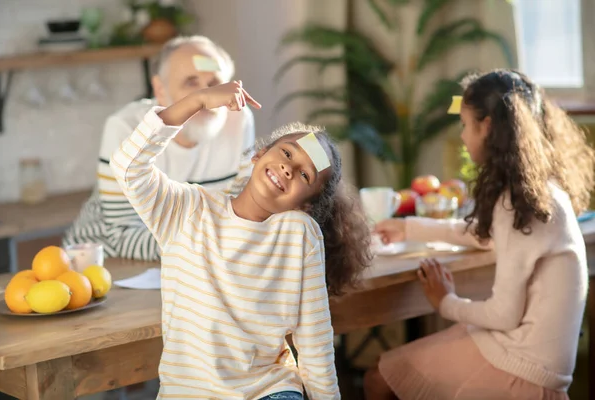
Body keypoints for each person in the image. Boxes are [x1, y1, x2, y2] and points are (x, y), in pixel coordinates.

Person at [110, 80, 373, 399]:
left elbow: (314, 340)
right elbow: (127, 167)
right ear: (259, 154)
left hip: (268, 390)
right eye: (287, 153)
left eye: (305, 175)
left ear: (307, 205)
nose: (288, 168)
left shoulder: (299, 234)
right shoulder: (190, 210)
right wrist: (199, 99)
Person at [364, 69, 595, 400]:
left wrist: (446, 302)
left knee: (378, 378)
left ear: (486, 126)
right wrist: (408, 227)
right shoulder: (542, 193)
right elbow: (483, 236)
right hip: (538, 362)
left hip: (523, 368)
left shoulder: (516, 204)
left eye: (464, 124)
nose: (461, 136)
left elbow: (503, 314)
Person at [63, 35, 255, 261]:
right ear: (160, 89)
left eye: (214, 83)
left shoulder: (238, 120)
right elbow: (122, 235)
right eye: (191, 83)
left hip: (195, 260)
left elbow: (234, 213)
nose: (207, 97)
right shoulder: (124, 127)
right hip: (105, 261)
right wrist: (211, 245)